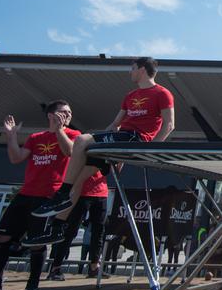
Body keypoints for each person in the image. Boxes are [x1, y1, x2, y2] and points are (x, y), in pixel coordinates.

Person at [28, 57, 175, 244]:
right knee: (79, 179)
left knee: (81, 139)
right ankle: (57, 228)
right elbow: (114, 125)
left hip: (135, 138)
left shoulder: (162, 93)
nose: (130, 72)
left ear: (142, 69)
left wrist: (149, 150)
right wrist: (101, 144)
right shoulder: (130, 95)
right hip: (118, 140)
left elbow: (169, 125)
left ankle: (62, 193)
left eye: (132, 68)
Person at [0, 101, 78, 290]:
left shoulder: (73, 134)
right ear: (51, 115)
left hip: (48, 196)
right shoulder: (36, 138)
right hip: (26, 194)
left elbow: (70, 152)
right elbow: (16, 158)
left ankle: (32, 286)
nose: (68, 115)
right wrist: (11, 136)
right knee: (0, 237)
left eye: (69, 113)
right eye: (63, 112)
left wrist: (60, 130)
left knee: (36, 241)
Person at [42, 164, 108, 279]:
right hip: (81, 192)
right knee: (70, 230)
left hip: (101, 192)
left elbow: (114, 170)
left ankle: (94, 267)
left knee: (99, 232)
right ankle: (56, 267)